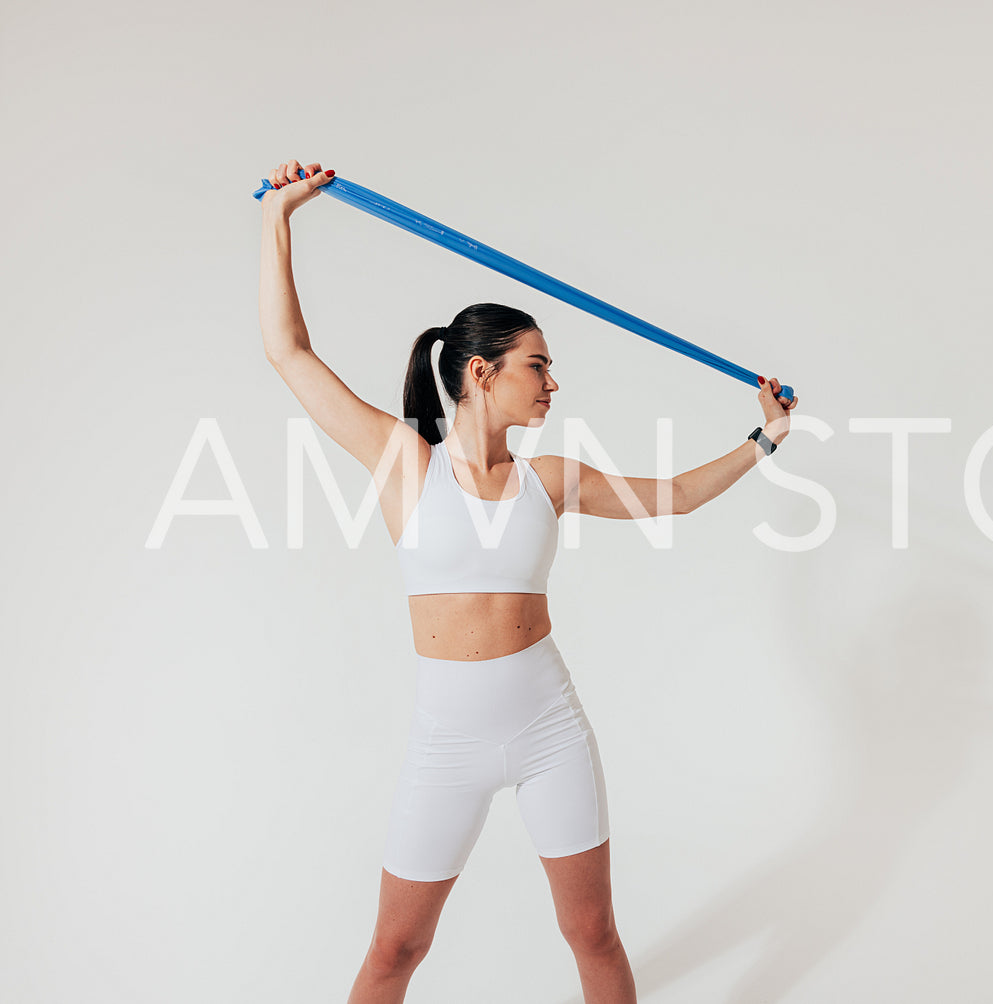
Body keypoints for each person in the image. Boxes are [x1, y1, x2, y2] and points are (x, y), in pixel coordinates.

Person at [258, 159, 798, 1004]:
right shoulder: (405, 461)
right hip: (446, 744)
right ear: (481, 372)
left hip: (549, 729)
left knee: (593, 934)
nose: (552, 383)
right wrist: (279, 220)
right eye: (537, 366)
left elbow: (678, 498)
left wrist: (762, 440)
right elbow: (288, 352)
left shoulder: (552, 479)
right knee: (395, 949)